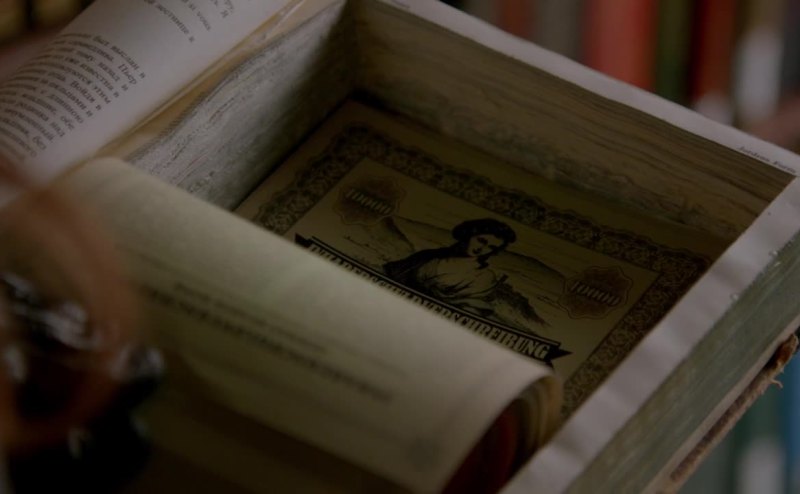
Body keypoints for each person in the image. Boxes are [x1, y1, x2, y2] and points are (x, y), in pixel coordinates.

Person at [384, 218, 547, 328]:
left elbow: (468, 312)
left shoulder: (483, 277)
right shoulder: (429, 255)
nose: (481, 249)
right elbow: (392, 273)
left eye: (491, 247)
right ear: (469, 234)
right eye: (481, 240)